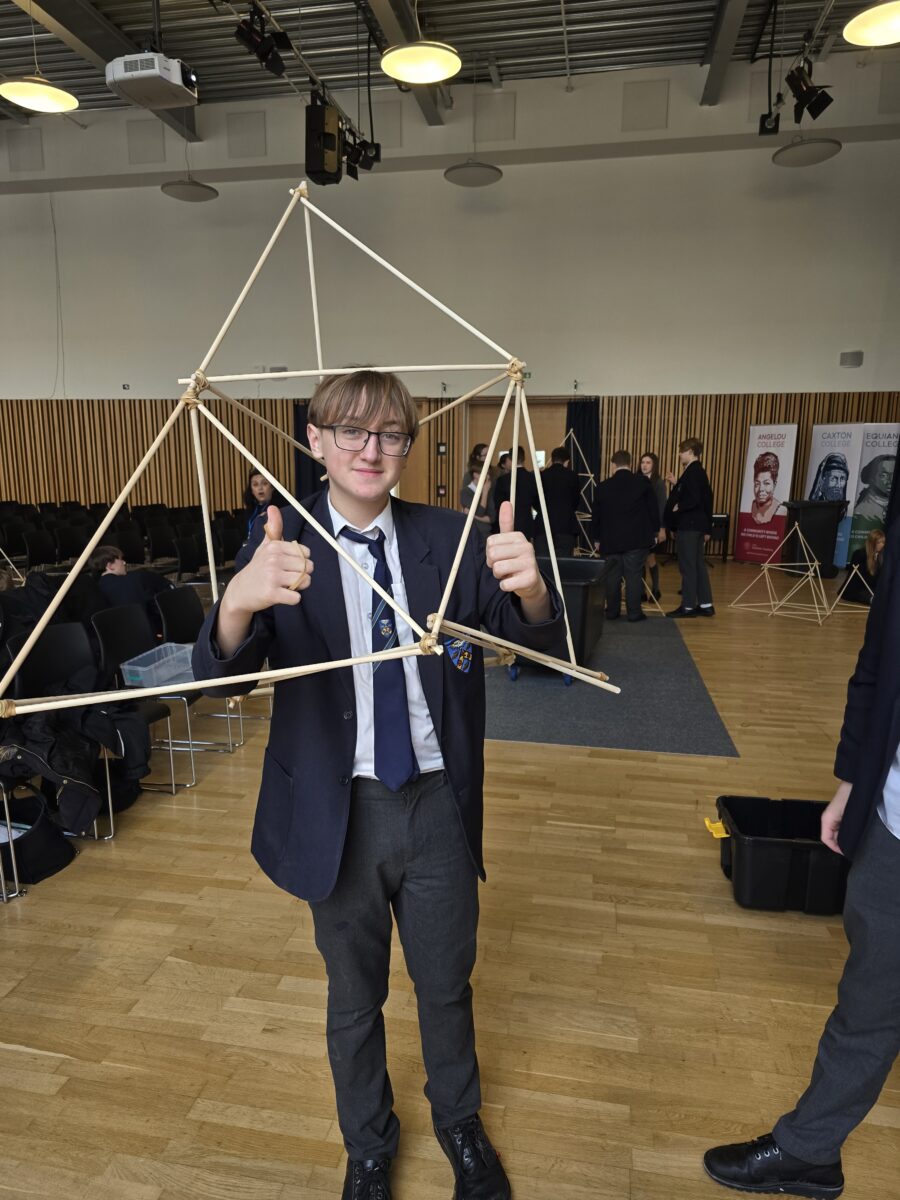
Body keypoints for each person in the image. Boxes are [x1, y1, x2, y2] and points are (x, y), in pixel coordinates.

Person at [193, 370, 565, 1200]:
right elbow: (216, 682)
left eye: (390, 433)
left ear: (409, 444)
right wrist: (236, 604)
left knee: (445, 982)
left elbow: (534, 638)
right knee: (352, 997)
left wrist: (534, 588)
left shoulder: (452, 535)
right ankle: (367, 1144)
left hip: (437, 801)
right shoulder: (283, 548)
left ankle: (459, 1125)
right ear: (316, 441)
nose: (371, 449)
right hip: (338, 808)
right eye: (350, 432)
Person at [703, 513, 900, 1200]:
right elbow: (879, 661)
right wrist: (852, 779)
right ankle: (811, 1150)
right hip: (894, 815)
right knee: (869, 997)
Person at [591, 449, 662, 623]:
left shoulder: (603, 486)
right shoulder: (643, 482)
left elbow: (596, 516)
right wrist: (655, 532)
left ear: (613, 465)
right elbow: (653, 510)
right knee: (634, 576)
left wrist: (597, 539)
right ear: (630, 464)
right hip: (636, 540)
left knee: (612, 578)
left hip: (610, 540)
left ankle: (612, 612)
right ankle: (634, 613)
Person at [664, 438, 714, 618]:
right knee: (698, 565)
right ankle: (706, 604)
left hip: (690, 525)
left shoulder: (692, 472)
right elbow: (707, 499)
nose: (679, 454)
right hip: (698, 525)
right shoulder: (698, 471)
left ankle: (688, 607)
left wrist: (680, 506)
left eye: (681, 451)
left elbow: (694, 499)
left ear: (691, 452)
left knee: (688, 566)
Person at [88, 544, 171, 631]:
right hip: (146, 633)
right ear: (110, 566)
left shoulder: (96, 589)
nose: (124, 562)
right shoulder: (137, 579)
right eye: (120, 559)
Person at [534, 446, 581, 558]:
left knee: (543, 565)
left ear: (552, 459)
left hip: (543, 527)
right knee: (563, 566)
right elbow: (576, 501)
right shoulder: (572, 476)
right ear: (567, 461)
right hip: (566, 526)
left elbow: (535, 500)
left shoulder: (542, 475)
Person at [490, 446, 538, 539]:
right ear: (524, 458)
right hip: (526, 524)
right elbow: (537, 503)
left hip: (507, 524)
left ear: (510, 459)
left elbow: (497, 504)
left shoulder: (502, 480)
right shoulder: (532, 479)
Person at [639, 451, 667, 599]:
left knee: (651, 559)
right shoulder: (636, 480)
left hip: (653, 528)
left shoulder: (658, 482)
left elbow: (662, 506)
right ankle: (642, 591)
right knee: (641, 560)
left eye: (648, 462)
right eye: (643, 462)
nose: (644, 465)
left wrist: (662, 528)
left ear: (654, 465)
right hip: (639, 527)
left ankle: (656, 590)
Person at [842, 528, 885, 606]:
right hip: (858, 589)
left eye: (883, 542)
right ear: (872, 543)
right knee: (879, 600)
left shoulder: (881, 556)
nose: (882, 545)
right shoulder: (859, 554)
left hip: (871, 587)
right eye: (879, 542)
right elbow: (862, 578)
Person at [244, 468, 291, 537]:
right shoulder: (250, 510)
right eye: (255, 484)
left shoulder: (282, 508)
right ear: (251, 491)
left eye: (265, 483)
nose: (260, 488)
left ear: (272, 487)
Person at [853, 454, 895, 522]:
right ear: (872, 478)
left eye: (894, 475)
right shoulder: (862, 511)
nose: (890, 480)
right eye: (883, 475)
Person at [458, 462, 492, 540]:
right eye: (485, 473)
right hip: (471, 534)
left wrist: (473, 515)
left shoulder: (489, 491)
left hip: (487, 534)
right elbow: (480, 512)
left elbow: (492, 518)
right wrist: (485, 493)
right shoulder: (465, 492)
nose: (488, 476)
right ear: (475, 475)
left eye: (488, 474)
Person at [749, 451, 781, 525]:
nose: (761, 489)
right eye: (757, 484)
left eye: (766, 483)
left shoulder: (780, 510)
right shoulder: (750, 507)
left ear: (774, 485)